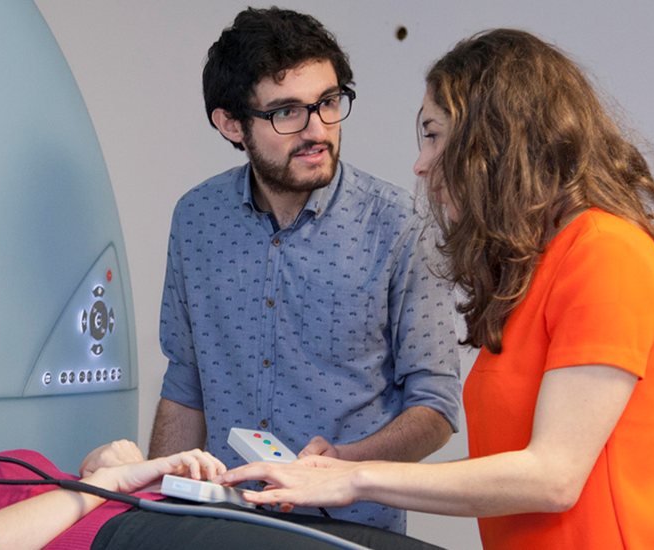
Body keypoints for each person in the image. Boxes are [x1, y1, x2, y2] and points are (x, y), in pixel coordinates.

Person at [222, 29, 654, 549]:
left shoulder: (608, 252)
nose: (420, 163)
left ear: (494, 139)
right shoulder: (539, 267)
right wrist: (348, 461)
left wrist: (354, 480)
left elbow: (552, 476)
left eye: (433, 135)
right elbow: (509, 471)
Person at [151, 7, 462, 533]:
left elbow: (435, 408)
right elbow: (186, 383)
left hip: (353, 527)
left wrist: (344, 464)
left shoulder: (400, 225)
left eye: (328, 103)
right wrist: (160, 514)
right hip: (227, 524)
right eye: (287, 112)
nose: (318, 130)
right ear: (231, 123)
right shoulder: (196, 219)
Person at [0, 415, 443, 550]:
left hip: (147, 507)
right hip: (121, 531)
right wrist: (107, 484)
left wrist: (100, 464)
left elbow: (40, 495)